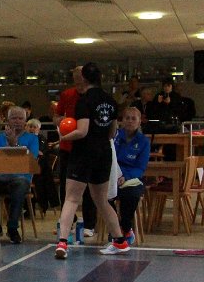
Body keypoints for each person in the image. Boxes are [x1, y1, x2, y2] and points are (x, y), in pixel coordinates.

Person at [55, 62, 130, 259]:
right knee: (102, 200)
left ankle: (62, 242)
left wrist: (63, 136)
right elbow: (112, 132)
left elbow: (82, 131)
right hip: (104, 154)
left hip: (83, 154)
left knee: (71, 198)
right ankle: (120, 241)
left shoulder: (84, 101)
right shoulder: (111, 101)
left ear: (84, 79)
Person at [0, 106, 39, 244]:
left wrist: (14, 144)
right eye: (14, 118)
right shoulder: (0, 138)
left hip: (21, 178)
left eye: (20, 118)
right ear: (8, 120)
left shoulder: (32, 139)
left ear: (25, 121)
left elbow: (31, 159)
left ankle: (12, 228)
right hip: (2, 177)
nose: (17, 121)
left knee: (20, 186)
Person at [57, 66, 96, 237]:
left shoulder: (94, 96)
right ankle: (67, 221)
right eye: (76, 81)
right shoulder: (67, 95)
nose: (79, 85)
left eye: (82, 81)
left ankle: (89, 223)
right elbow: (57, 116)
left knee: (89, 187)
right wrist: (63, 122)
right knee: (65, 187)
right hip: (68, 147)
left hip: (87, 147)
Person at [111, 107, 150, 245]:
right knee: (104, 196)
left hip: (131, 178)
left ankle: (126, 228)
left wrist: (125, 177)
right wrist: (115, 175)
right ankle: (115, 228)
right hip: (112, 175)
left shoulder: (144, 141)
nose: (130, 121)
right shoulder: (114, 136)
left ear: (139, 122)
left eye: (133, 118)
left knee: (131, 195)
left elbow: (141, 168)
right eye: (127, 118)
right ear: (121, 120)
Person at [26, 118, 59, 214]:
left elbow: (41, 153)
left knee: (42, 169)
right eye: (30, 127)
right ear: (26, 128)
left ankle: (34, 207)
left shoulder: (41, 139)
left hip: (38, 169)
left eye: (34, 127)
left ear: (38, 129)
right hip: (27, 168)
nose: (32, 129)